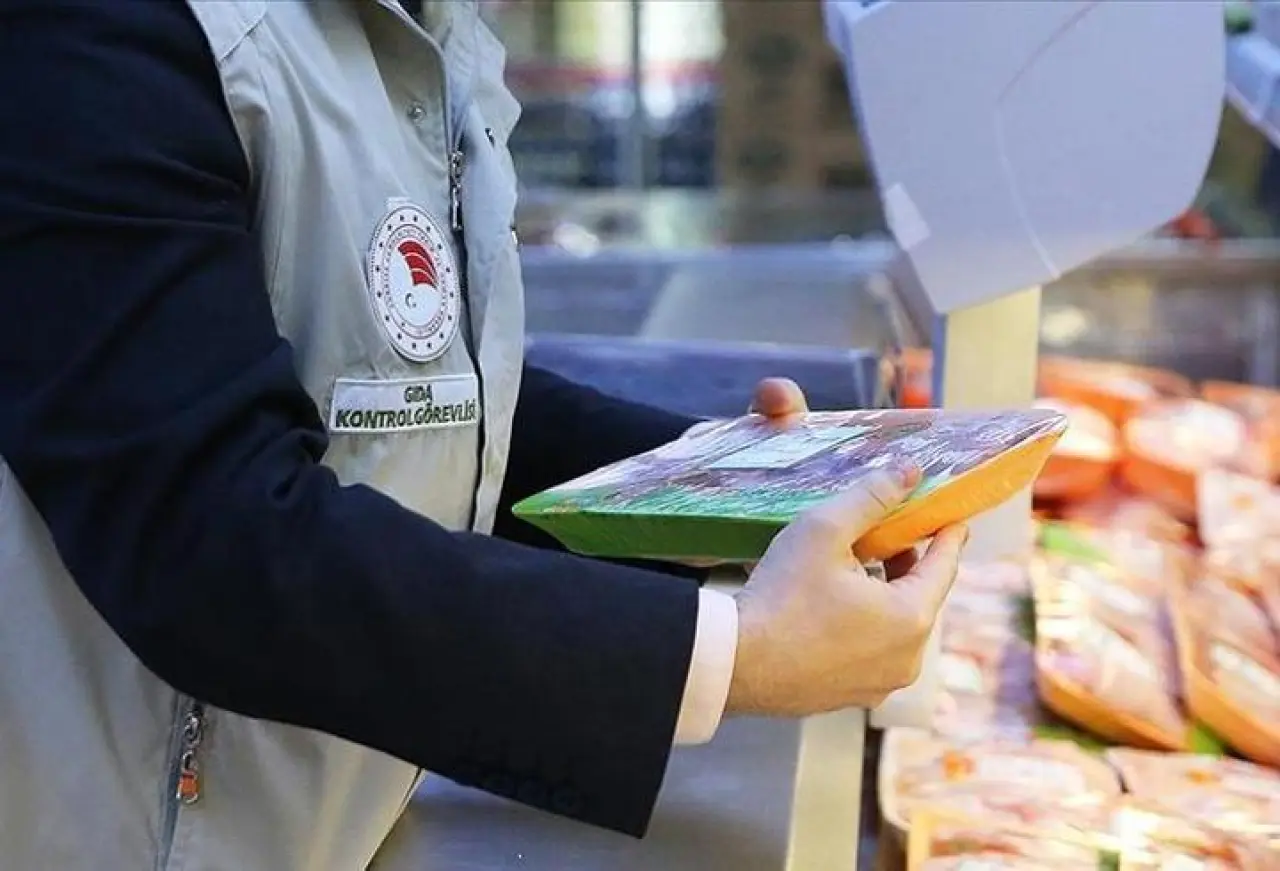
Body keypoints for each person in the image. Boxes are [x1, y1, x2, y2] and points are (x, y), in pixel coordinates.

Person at [0, 2, 966, 869]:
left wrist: (746, 487)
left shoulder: (428, 32)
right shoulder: (105, 35)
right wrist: (731, 651)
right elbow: (212, 541)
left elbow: (425, 399)